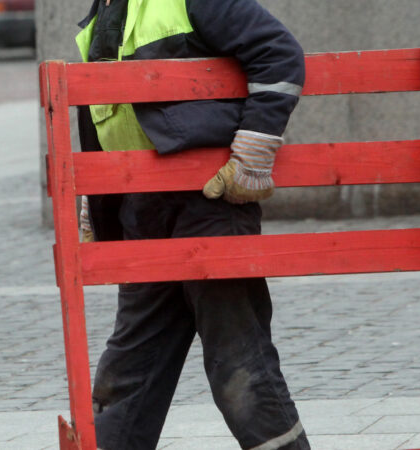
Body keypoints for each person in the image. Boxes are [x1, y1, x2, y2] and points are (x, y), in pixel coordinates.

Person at [75, 0, 308, 448]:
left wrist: (253, 155)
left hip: (211, 204)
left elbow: (280, 53)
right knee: (128, 369)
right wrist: (98, 194)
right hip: (142, 210)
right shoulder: (105, 13)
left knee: (239, 361)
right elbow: (108, 113)